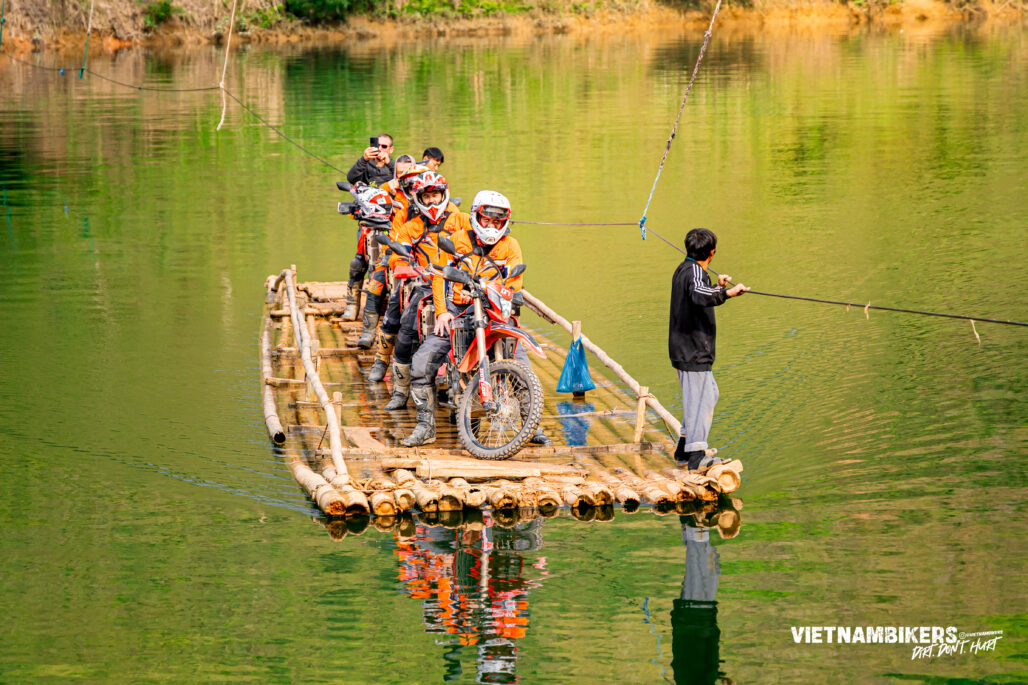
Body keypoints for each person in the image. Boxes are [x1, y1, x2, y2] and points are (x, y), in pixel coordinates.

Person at [401, 190, 550, 448]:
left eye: (497, 222)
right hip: (458, 308)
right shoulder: (458, 239)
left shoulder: (511, 246)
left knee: (523, 366)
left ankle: (531, 423)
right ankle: (426, 427)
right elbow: (439, 275)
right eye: (487, 220)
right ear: (475, 217)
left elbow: (514, 282)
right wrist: (441, 311)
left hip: (494, 310)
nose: (492, 226)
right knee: (422, 362)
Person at [382, 171, 468, 412]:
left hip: (460, 283)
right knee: (407, 328)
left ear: (444, 194)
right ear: (419, 198)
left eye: (435, 195)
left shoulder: (461, 220)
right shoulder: (412, 226)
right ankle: (400, 392)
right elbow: (398, 256)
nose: (431, 201)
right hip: (425, 282)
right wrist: (403, 266)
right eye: (426, 196)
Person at [669, 228, 749, 472]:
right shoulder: (694, 272)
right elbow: (697, 294)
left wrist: (716, 286)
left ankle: (684, 448)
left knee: (707, 396)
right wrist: (727, 293)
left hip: (686, 349)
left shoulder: (687, 268)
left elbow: (700, 291)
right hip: (692, 350)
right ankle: (696, 457)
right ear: (712, 253)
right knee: (701, 401)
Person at [368, 162, 433, 380]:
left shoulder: (451, 214)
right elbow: (395, 248)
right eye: (412, 185)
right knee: (394, 311)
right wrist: (403, 265)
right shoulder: (403, 212)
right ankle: (381, 358)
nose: (417, 189)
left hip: (443, 274)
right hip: (415, 272)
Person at [341, 134, 396, 321]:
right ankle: (352, 303)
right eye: (378, 146)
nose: (380, 149)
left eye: (385, 146)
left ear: (391, 149)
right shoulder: (366, 166)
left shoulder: (395, 169)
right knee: (359, 262)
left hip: (389, 223)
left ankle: (385, 305)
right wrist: (363, 159)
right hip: (367, 221)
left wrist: (390, 164)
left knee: (387, 263)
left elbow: (407, 181)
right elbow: (351, 177)